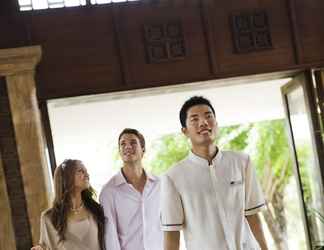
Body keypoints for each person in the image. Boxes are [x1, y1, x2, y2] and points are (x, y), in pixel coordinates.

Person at [160, 96, 268, 250]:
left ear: (216, 124)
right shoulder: (173, 177)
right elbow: (171, 236)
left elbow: (253, 216)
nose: (203, 123)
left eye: (208, 116)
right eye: (194, 119)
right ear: (185, 131)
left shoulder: (242, 162)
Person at [100, 128, 163, 250]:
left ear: (143, 149)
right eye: (123, 144)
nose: (127, 146)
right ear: (119, 151)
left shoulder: (159, 184)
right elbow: (110, 235)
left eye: (133, 142)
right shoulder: (109, 191)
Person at [31, 159, 105, 250]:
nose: (87, 175)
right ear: (66, 178)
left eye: (86, 171)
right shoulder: (49, 218)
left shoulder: (96, 210)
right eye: (81, 171)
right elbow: (45, 246)